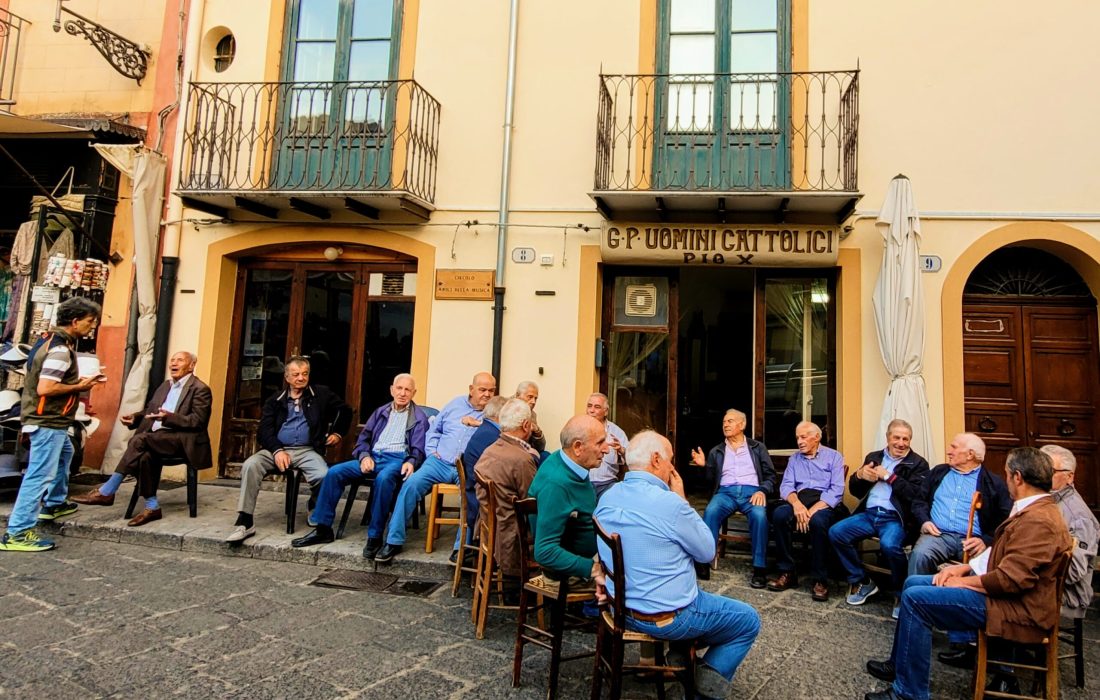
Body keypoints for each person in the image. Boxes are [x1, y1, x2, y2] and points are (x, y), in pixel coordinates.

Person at [864, 447, 1073, 700]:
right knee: (913, 583)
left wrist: (962, 583)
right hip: (1003, 596)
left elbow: (1010, 580)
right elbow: (1003, 554)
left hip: (1013, 608)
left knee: (916, 599)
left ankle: (909, 693)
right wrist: (964, 567)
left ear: (1017, 477)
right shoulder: (1033, 509)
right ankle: (900, 666)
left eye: (1007, 474)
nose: (1005, 479)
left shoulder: (1039, 520)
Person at [595, 430, 761, 700]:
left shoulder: (609, 496)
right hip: (668, 617)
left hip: (621, 608)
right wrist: (682, 499)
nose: (673, 467)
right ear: (657, 459)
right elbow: (707, 552)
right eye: (671, 460)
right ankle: (702, 688)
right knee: (747, 620)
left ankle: (682, 655)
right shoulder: (671, 504)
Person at [0, 297, 104, 552]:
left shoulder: (47, 341)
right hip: (48, 420)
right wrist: (81, 385)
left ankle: (55, 502)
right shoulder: (59, 349)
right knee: (39, 475)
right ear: (75, 321)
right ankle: (18, 532)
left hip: (45, 419)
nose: (92, 327)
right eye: (90, 322)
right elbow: (47, 387)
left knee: (65, 454)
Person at [290, 373, 428, 556]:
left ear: (414, 393)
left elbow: (418, 449)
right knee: (334, 473)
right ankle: (323, 529)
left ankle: (375, 536)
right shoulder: (381, 412)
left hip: (397, 460)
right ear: (392, 390)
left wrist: (411, 461)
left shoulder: (419, 418)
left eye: (407, 390)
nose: (403, 393)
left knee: (384, 479)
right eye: (399, 388)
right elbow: (363, 440)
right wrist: (364, 456)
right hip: (373, 457)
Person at [907, 432, 1012, 668]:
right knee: (921, 554)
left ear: (971, 455)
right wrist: (924, 521)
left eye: (955, 447)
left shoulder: (993, 483)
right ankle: (918, 616)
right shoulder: (939, 472)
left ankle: (964, 641)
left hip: (973, 540)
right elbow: (919, 501)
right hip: (939, 534)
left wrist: (985, 540)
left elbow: (1004, 519)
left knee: (976, 573)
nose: (949, 451)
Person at [73, 351, 213, 526]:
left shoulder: (200, 389)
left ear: (191, 365)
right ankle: (151, 506)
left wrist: (168, 418)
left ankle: (108, 490)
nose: (173, 364)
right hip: (157, 438)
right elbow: (150, 409)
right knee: (146, 455)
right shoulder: (165, 386)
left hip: (182, 440)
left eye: (180, 360)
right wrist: (136, 418)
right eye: (172, 360)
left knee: (139, 440)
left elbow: (198, 421)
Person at [224, 357, 350, 544]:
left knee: (324, 474)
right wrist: (277, 450)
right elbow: (264, 431)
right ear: (287, 377)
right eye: (296, 374)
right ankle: (245, 520)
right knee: (251, 465)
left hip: (307, 450)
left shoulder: (320, 394)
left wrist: (338, 433)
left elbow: (345, 410)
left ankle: (315, 506)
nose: (301, 378)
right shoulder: (275, 400)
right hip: (276, 449)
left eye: (305, 374)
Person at [376, 371, 497, 564]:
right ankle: (393, 541)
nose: (487, 394)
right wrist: (432, 452)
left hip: (466, 467)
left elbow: (497, 432)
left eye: (491, 390)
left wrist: (479, 423)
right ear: (471, 389)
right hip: (439, 462)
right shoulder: (454, 404)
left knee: (470, 499)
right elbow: (434, 429)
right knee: (410, 485)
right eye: (482, 390)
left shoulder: (493, 412)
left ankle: (461, 549)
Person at [828, 419, 929, 614]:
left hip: (895, 519)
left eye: (905, 439)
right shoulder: (874, 457)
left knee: (890, 545)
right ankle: (862, 581)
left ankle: (901, 593)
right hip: (869, 514)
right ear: (888, 438)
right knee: (836, 532)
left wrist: (890, 478)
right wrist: (859, 476)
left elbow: (917, 495)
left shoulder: (918, 464)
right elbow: (856, 491)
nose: (901, 443)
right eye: (897, 437)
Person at [692, 408, 776, 588]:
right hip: (726, 492)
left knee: (760, 517)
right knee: (711, 511)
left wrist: (762, 490)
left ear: (742, 424)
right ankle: (704, 561)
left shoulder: (757, 447)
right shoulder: (717, 451)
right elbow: (708, 481)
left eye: (730, 421)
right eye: (724, 422)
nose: (725, 425)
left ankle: (759, 568)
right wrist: (703, 466)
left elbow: (771, 476)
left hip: (752, 492)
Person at [767, 420, 846, 601]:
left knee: (819, 522)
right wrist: (797, 505)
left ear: (817, 438)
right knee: (780, 515)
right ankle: (787, 572)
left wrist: (812, 511)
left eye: (803, 437)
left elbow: (836, 490)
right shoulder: (794, 459)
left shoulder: (834, 457)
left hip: (823, 502)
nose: (799, 441)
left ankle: (820, 579)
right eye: (797, 438)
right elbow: (786, 486)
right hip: (800, 500)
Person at [527, 415, 608, 582]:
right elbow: (544, 551)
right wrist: (592, 569)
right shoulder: (557, 485)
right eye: (600, 443)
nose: (607, 449)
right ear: (577, 447)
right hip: (573, 573)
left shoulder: (563, 459)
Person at [473, 398, 540, 577]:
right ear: (526, 425)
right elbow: (532, 502)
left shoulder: (491, 449)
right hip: (511, 534)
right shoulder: (521, 459)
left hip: (490, 527)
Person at [1041, 444, 1099, 620]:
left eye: (1049, 471)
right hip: (1043, 585)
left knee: (996, 598)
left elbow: (1072, 571)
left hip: (1067, 596)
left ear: (1069, 476)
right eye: (1039, 469)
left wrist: (1031, 569)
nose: (1041, 476)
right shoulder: (1043, 500)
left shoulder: (1077, 515)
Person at [457, 395, 508, 563]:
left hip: (474, 494)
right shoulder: (492, 436)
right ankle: (509, 563)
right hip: (479, 502)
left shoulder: (486, 429)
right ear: (500, 415)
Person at [584, 392, 628, 498]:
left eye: (597, 407)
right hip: (582, 483)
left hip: (607, 484)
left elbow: (633, 458)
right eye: (589, 406)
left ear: (606, 412)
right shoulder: (578, 428)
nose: (592, 410)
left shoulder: (616, 432)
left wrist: (622, 451)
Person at [513, 380, 547, 453]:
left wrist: (537, 432)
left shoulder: (532, 415)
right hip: (510, 450)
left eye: (535, 398)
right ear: (517, 396)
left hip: (526, 451)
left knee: (545, 455)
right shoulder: (505, 409)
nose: (533, 402)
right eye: (530, 397)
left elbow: (540, 448)